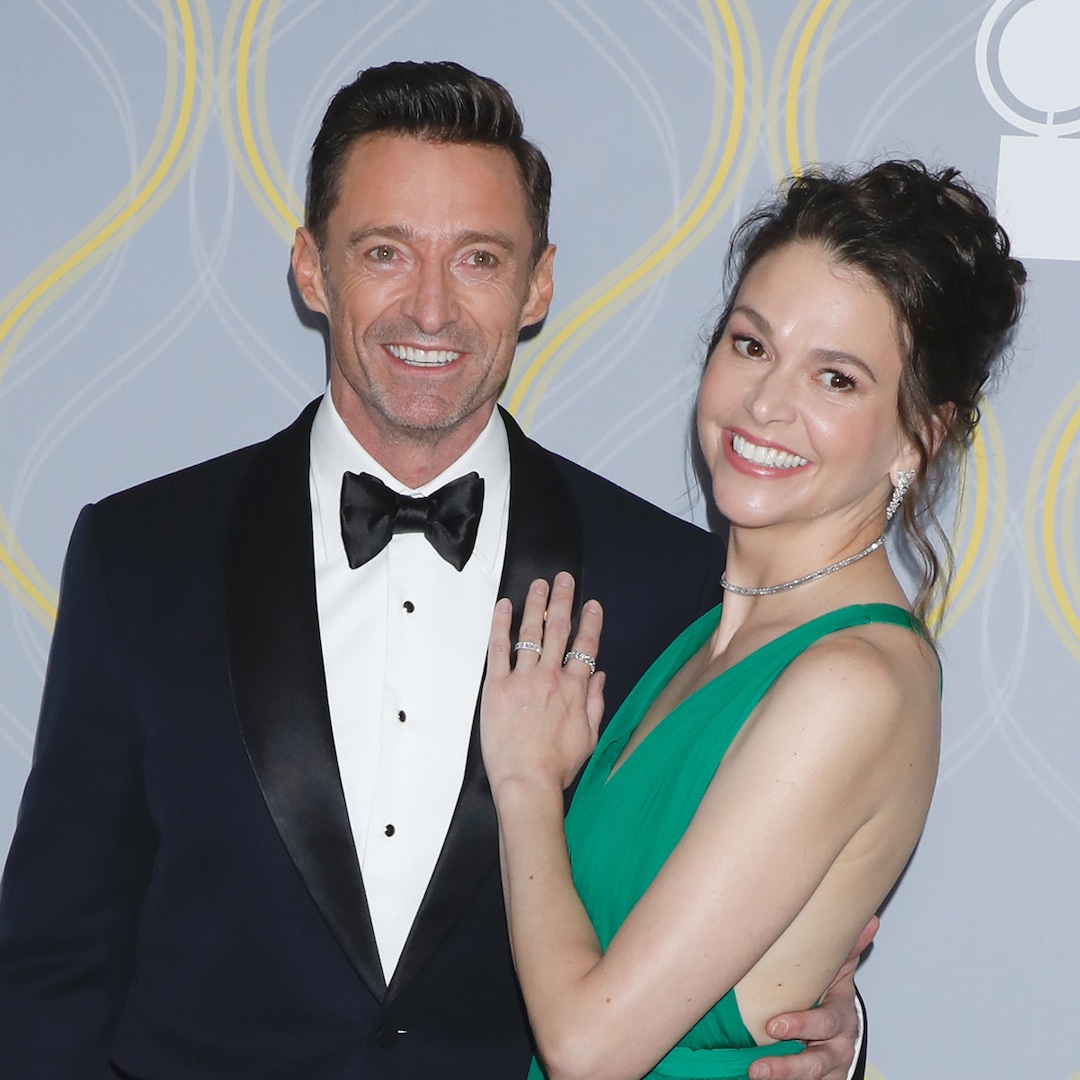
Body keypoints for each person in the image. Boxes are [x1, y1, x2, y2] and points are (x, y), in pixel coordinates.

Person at [0, 62, 863, 1078]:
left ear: (537, 285)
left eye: (479, 260)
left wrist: (825, 1030)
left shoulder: (670, 586)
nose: (431, 309)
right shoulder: (142, 555)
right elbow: (54, 958)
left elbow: (714, 927)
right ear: (312, 269)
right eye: (384, 253)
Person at [481, 160, 1026, 1080]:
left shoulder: (851, 681)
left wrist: (528, 781)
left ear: (918, 437)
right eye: (751, 344)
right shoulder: (704, 641)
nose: (767, 403)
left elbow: (590, 1048)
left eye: (837, 379)